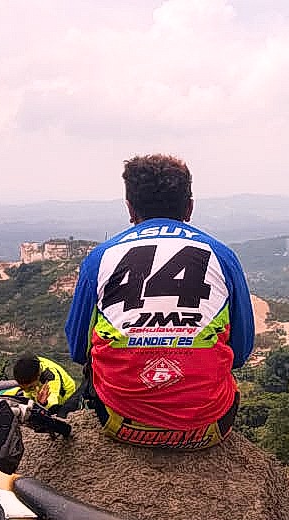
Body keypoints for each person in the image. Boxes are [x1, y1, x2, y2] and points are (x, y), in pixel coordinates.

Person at [65, 154, 254, 450]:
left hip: (118, 422)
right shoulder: (222, 256)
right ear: (189, 207)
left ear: (130, 208)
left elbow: (78, 350)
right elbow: (241, 353)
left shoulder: (99, 259)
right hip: (208, 427)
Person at [13, 354, 77, 416]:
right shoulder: (30, 367)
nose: (27, 390)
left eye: (30, 388)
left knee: (56, 412)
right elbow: (27, 395)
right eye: (23, 388)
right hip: (39, 389)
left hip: (65, 396)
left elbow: (52, 401)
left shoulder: (51, 377)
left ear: (38, 376)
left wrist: (44, 403)